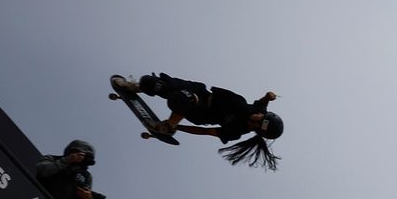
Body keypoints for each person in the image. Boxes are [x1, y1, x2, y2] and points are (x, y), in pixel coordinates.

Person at [120, 73, 284, 170]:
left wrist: (178, 126)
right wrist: (269, 95)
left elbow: (206, 132)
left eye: (261, 119)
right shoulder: (259, 111)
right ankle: (134, 87)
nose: (259, 116)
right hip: (202, 91)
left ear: (259, 128)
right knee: (153, 83)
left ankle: (168, 125)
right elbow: (264, 101)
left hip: (201, 112)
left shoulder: (236, 130)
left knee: (184, 98)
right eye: (263, 115)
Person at [33, 140, 101, 199]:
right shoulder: (52, 159)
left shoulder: (86, 176)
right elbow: (43, 171)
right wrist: (67, 160)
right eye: (79, 154)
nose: (81, 158)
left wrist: (87, 198)